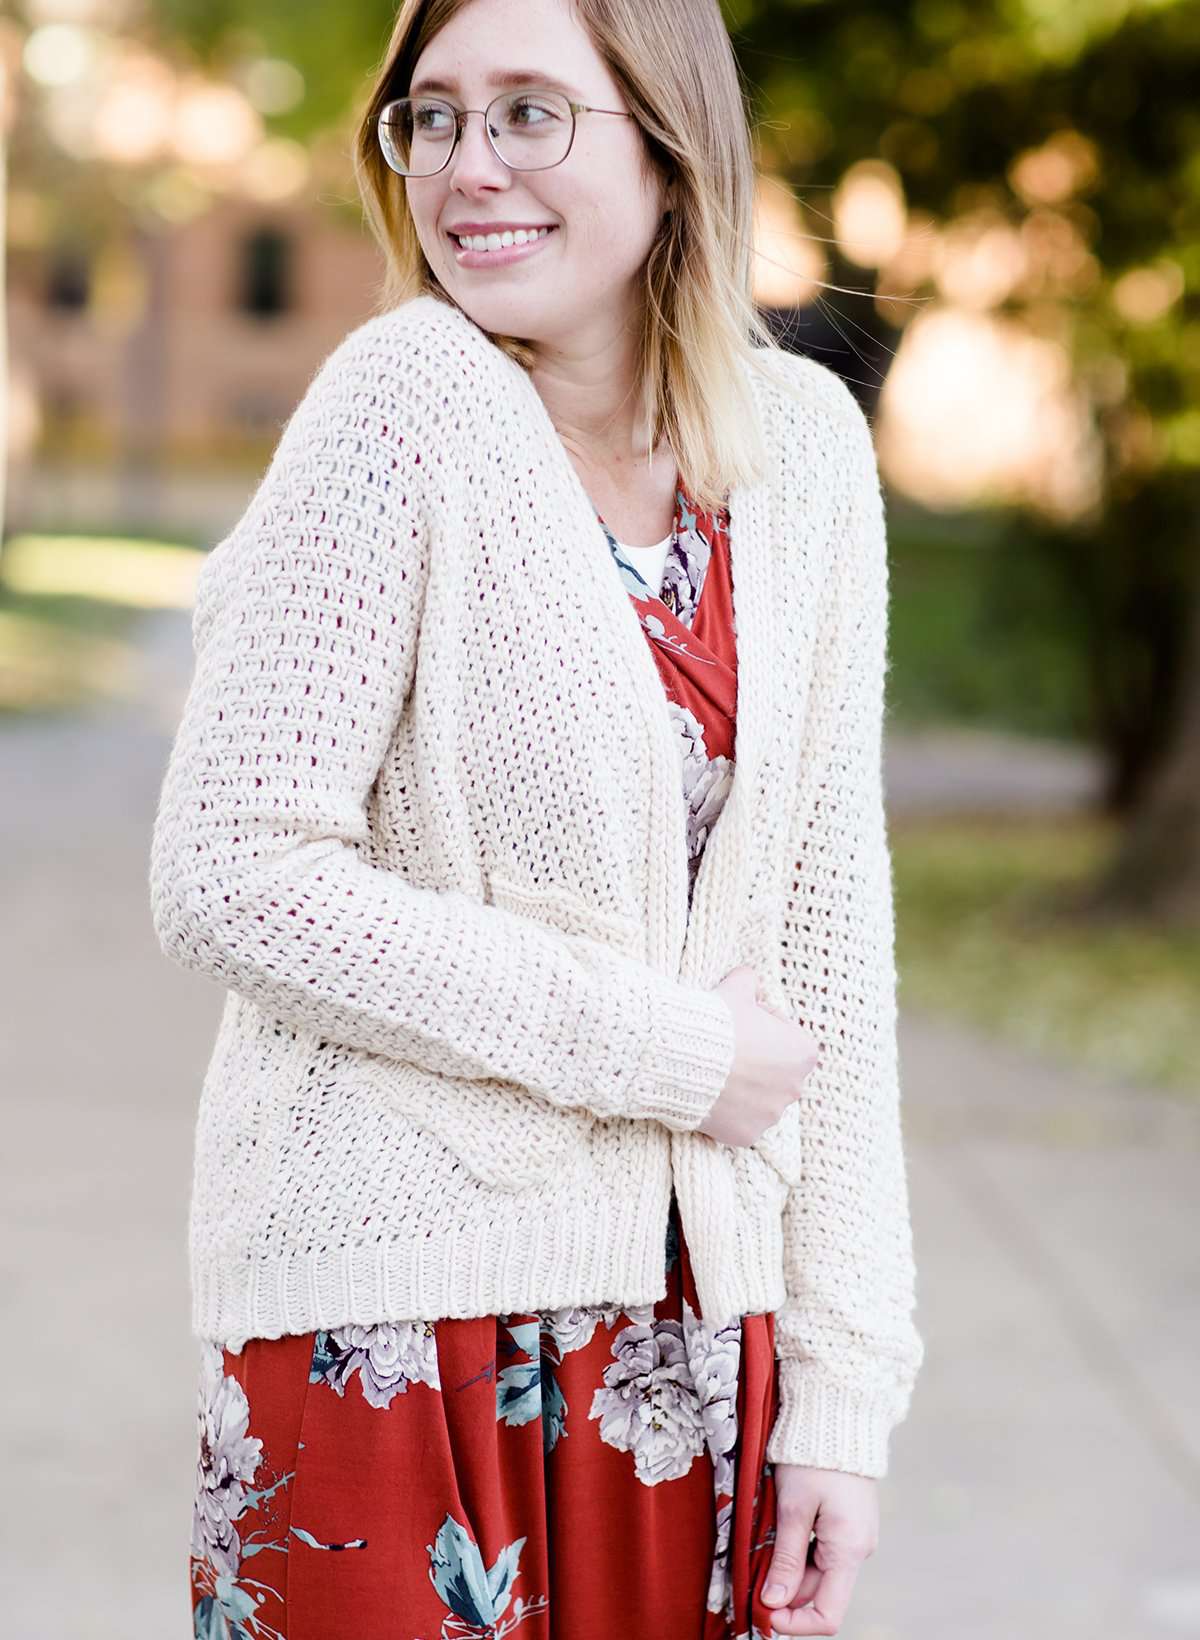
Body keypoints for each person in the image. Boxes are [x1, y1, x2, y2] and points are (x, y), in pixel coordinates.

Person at [149, 0, 925, 1634]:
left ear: (666, 142)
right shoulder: (398, 403)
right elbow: (233, 872)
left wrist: (847, 1398)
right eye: (429, 118)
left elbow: (830, 938)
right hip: (389, 1330)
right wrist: (662, 1049)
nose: (464, 168)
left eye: (527, 114)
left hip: (698, 1339)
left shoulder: (805, 452)